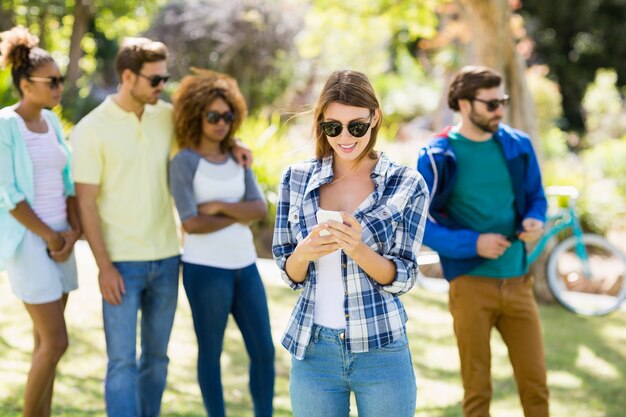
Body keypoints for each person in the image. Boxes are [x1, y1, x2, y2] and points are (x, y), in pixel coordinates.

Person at [71, 38, 251, 417]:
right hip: (120, 264)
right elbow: (85, 202)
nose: (162, 86)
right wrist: (103, 266)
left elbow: (208, 138)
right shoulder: (91, 129)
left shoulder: (166, 116)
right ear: (127, 76)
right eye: (155, 80)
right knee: (122, 362)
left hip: (169, 259)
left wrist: (236, 145)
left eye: (165, 78)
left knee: (157, 358)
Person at [273, 69, 429, 417]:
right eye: (333, 127)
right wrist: (305, 252)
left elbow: (403, 276)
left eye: (356, 126)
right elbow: (288, 271)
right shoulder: (296, 179)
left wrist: (358, 248)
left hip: (382, 350)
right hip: (314, 351)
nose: (345, 137)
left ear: (374, 118)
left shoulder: (406, 184)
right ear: (322, 124)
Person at [416, 65, 549, 417]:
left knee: (536, 387)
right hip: (470, 286)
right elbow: (420, 223)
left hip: (519, 283)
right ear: (462, 103)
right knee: (477, 392)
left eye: (502, 101)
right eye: (490, 104)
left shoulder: (518, 145)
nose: (500, 111)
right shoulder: (435, 156)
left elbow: (537, 196)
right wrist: (474, 244)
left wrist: (535, 218)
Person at [169, 70, 275, 417]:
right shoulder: (183, 162)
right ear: (195, 114)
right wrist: (237, 215)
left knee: (263, 350)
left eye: (227, 117)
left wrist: (217, 206)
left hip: (245, 266)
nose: (220, 124)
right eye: (213, 116)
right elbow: (191, 222)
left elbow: (258, 208)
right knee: (210, 352)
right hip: (205, 270)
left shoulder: (238, 156)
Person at [0, 26, 80, 417]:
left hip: (61, 240)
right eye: (52, 81)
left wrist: (73, 231)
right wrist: (50, 236)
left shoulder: (51, 123)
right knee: (56, 342)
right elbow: (9, 195)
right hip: (31, 242)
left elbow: (67, 183)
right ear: (25, 84)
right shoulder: (4, 125)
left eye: (60, 80)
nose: (58, 87)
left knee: (43, 344)